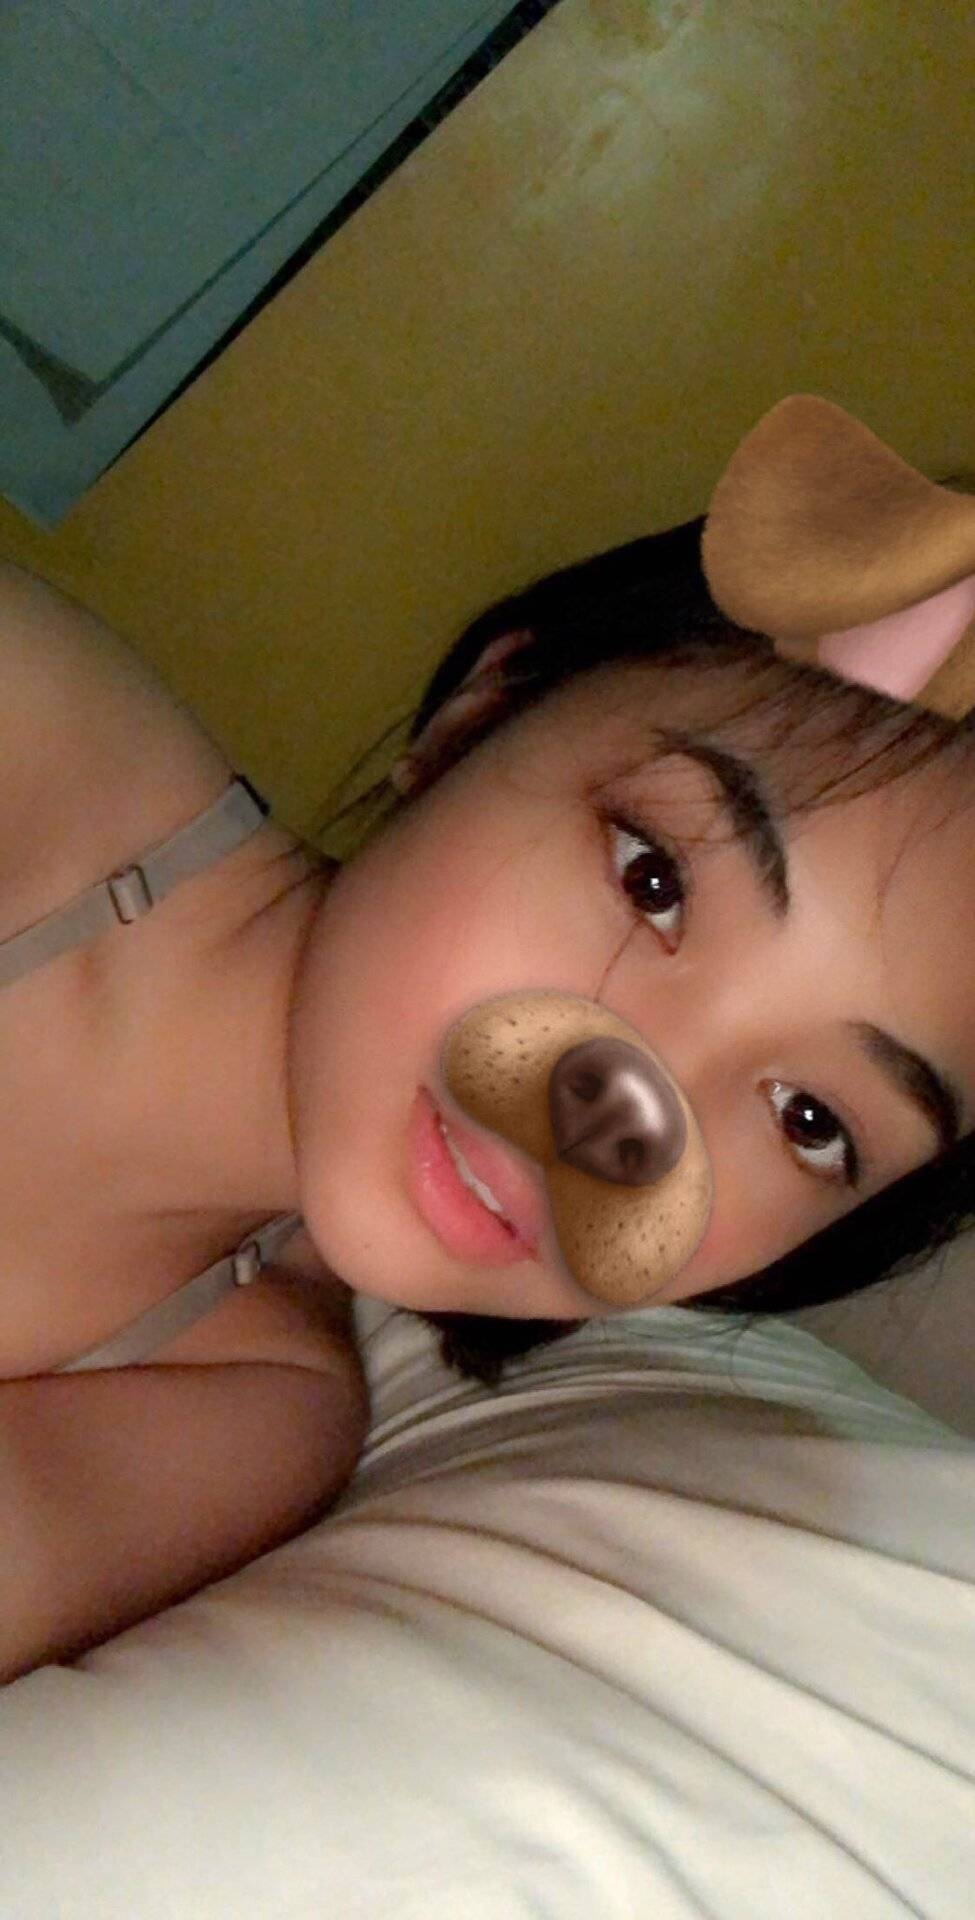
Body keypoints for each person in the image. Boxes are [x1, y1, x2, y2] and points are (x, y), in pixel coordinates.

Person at [0, 396, 972, 1683]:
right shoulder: (29, 735)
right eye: (652, 879)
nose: (632, 1118)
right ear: (480, 714)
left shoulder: (249, 1415)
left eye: (812, 1121)